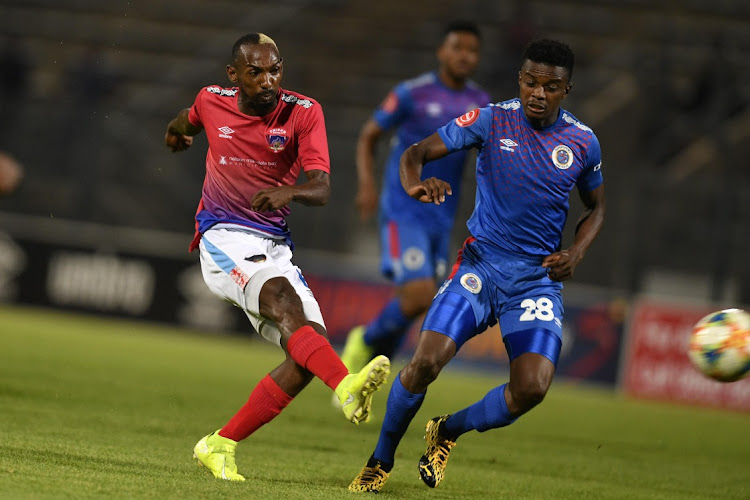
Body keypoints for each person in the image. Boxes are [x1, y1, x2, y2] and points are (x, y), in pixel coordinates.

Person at [349, 38, 606, 493]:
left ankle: (446, 431)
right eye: (531, 81)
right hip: (480, 267)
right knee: (426, 361)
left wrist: (577, 252)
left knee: (532, 388)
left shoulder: (583, 142)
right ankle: (380, 460)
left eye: (551, 85)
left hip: (535, 282)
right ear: (520, 80)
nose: (538, 93)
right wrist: (412, 185)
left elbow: (596, 208)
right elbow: (414, 153)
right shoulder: (491, 119)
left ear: (567, 90)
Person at [164, 33, 391, 482]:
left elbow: (322, 188)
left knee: (308, 351)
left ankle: (219, 444)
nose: (268, 81)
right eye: (256, 72)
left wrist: (290, 191)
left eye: (275, 70)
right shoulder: (212, 99)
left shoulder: (303, 112)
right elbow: (187, 120)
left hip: (274, 244)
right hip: (223, 236)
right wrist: (175, 134)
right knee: (288, 309)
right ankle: (346, 386)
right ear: (235, 75)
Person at [339, 21, 491, 374]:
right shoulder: (413, 93)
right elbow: (369, 134)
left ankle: (374, 366)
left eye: (472, 51)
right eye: (458, 48)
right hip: (403, 210)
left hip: (442, 215)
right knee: (420, 295)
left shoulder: (481, 103)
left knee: (419, 300)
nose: (465, 56)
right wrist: (367, 184)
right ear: (442, 51)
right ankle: (362, 340)